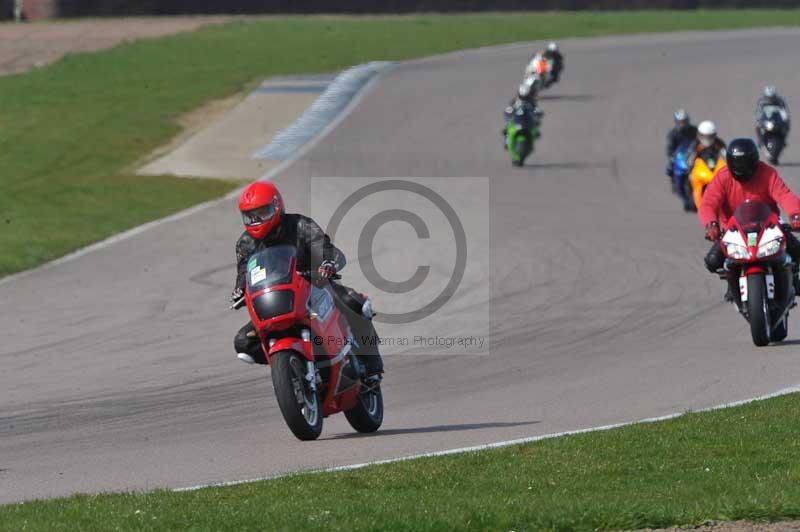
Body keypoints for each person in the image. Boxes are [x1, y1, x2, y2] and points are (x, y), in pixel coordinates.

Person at [231, 181, 384, 379]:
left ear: (277, 207)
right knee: (244, 343)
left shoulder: (300, 225)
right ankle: (291, 368)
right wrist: (240, 289)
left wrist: (327, 263)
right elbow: (244, 272)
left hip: (314, 287)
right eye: (250, 216)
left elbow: (324, 246)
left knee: (354, 304)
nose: (257, 220)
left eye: (262, 212)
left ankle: (371, 362)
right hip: (276, 299)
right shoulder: (245, 243)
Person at [699, 138, 800, 298]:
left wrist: (795, 215)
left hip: (769, 226)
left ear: (754, 160)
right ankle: (732, 280)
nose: (741, 169)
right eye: (737, 164)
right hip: (733, 230)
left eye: (745, 164)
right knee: (713, 261)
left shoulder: (767, 174)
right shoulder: (722, 177)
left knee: (797, 250)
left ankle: (794, 278)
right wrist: (711, 224)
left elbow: (785, 195)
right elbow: (708, 203)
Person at [502, 82, 543, 148]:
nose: (524, 98)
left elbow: (536, 109)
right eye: (522, 96)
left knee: (537, 122)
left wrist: (538, 112)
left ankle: (534, 132)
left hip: (528, 117)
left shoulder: (531, 102)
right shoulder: (515, 101)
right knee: (508, 125)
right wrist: (508, 111)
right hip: (517, 117)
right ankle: (507, 140)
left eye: (526, 96)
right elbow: (510, 108)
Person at [666, 109, 697, 179]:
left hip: (693, 155)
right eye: (680, 122)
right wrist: (672, 157)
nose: (682, 124)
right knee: (670, 169)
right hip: (680, 157)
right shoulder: (673, 134)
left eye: (684, 121)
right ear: (677, 122)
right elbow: (670, 149)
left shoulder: (694, 131)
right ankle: (676, 186)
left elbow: (699, 142)